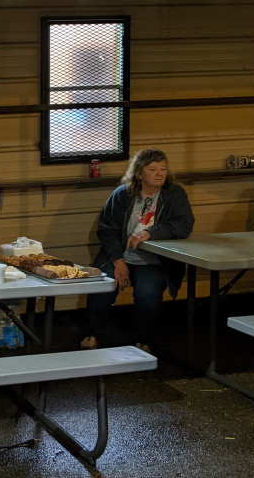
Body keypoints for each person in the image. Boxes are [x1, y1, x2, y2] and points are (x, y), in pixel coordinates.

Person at [83, 149, 195, 353]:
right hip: (119, 256)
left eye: (163, 169)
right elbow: (106, 229)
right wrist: (118, 261)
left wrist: (151, 232)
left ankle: (144, 339)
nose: (159, 174)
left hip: (155, 260)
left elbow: (184, 224)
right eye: (152, 169)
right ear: (139, 173)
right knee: (101, 287)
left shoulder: (174, 193)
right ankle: (94, 333)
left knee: (148, 294)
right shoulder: (122, 194)